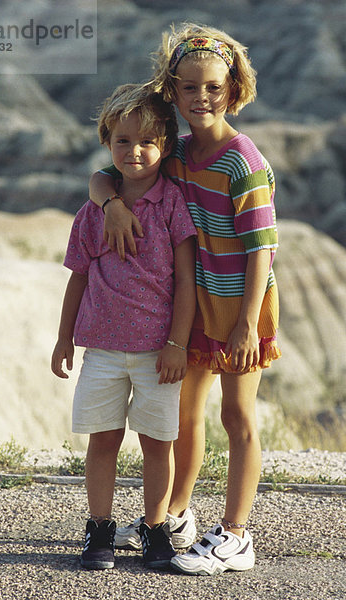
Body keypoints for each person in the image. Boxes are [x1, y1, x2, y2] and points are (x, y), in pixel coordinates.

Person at [88, 22, 281, 576]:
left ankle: (237, 534)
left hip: (242, 304)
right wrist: (111, 207)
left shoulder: (242, 160)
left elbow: (261, 248)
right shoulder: (175, 155)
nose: (201, 97)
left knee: (237, 415)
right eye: (189, 86)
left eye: (213, 87)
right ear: (171, 90)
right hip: (195, 301)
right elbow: (104, 177)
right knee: (183, 417)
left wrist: (246, 324)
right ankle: (175, 516)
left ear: (233, 89)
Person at [51, 82, 197, 571]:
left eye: (147, 142)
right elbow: (78, 277)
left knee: (158, 443)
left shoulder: (173, 205)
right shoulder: (92, 212)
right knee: (104, 439)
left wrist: (177, 343)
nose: (134, 151)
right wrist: (63, 337)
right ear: (106, 141)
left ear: (166, 146)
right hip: (103, 351)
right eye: (122, 141)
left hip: (160, 353)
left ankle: (157, 529)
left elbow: (185, 282)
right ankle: (100, 529)